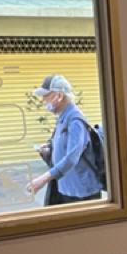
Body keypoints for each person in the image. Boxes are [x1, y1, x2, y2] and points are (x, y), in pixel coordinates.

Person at [27, 74, 103, 204]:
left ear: (59, 96)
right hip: (67, 189)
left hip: (81, 193)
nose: (43, 100)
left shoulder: (75, 121)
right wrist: (49, 148)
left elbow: (71, 158)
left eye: (46, 96)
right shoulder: (64, 118)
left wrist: (42, 180)